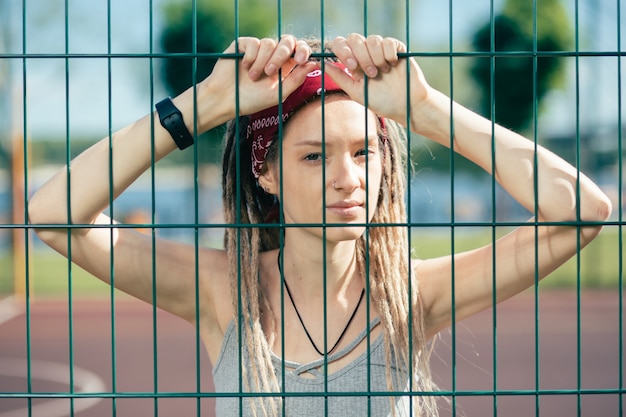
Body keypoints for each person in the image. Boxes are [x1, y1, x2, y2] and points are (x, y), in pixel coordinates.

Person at [28, 34, 612, 417]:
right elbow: (54, 214)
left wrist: (427, 110)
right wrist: (205, 104)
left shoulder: (413, 294)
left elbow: (580, 210)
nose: (347, 177)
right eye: (314, 156)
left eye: (365, 152)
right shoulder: (219, 290)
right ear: (267, 175)